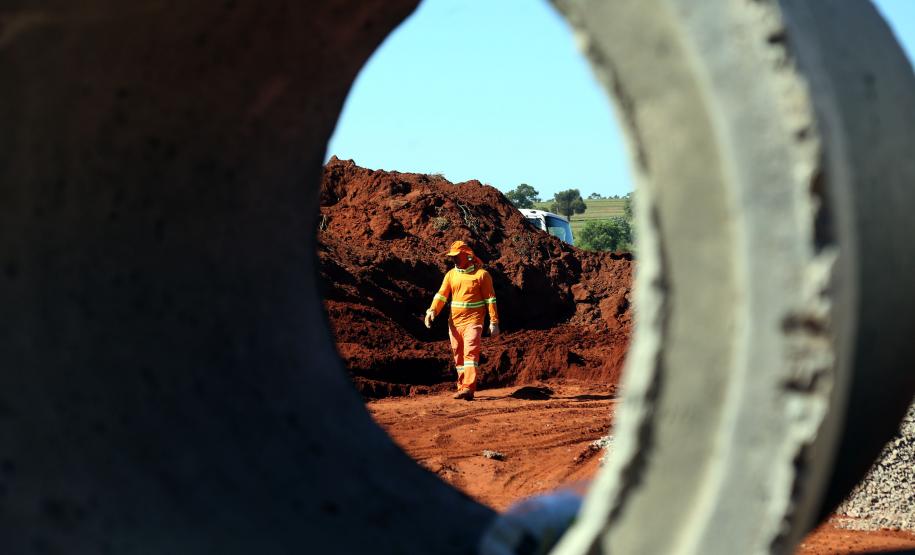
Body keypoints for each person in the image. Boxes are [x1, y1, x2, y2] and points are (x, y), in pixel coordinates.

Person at [424, 240, 499, 400]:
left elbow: (490, 299)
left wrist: (494, 322)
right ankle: (462, 387)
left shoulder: (482, 275)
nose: (454, 259)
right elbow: (442, 295)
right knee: (458, 356)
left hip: (474, 321)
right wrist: (432, 310)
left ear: (467, 255)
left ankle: (468, 388)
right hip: (454, 323)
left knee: (470, 353)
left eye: (457, 256)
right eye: (452, 256)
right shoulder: (451, 275)